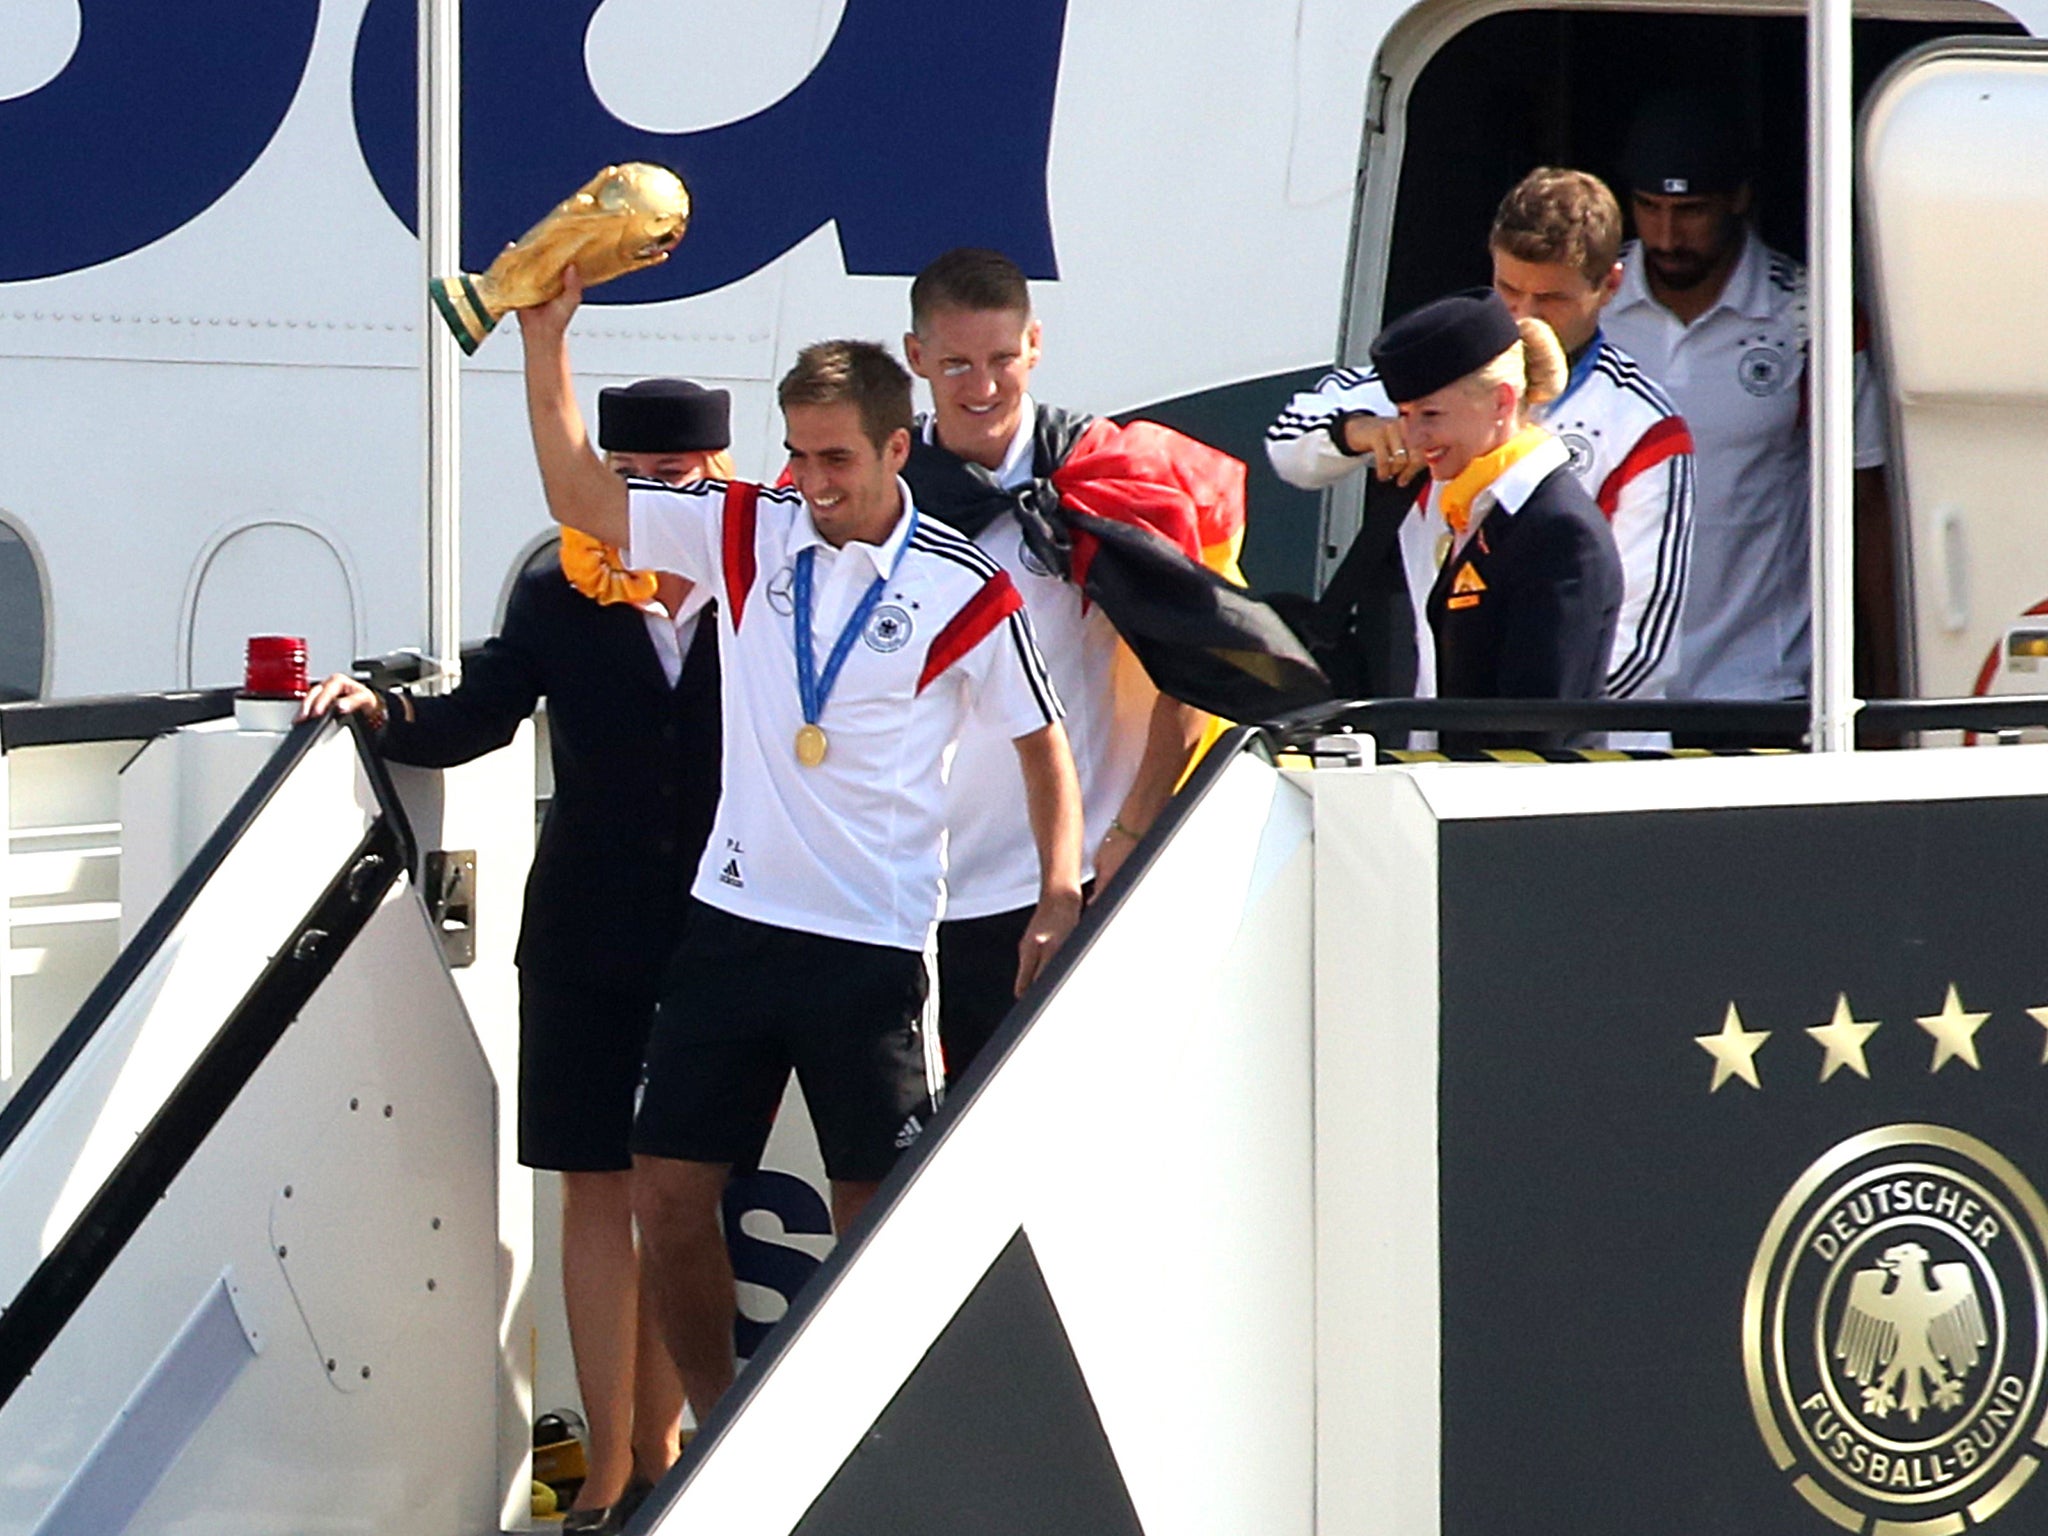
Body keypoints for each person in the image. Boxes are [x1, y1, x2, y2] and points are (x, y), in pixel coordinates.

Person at [513, 268, 1085, 1432]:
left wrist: (1057, 886)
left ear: (893, 450)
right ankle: (720, 1438)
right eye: (796, 457)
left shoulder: (960, 585)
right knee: (668, 1200)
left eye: (834, 460)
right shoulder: (745, 530)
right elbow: (582, 492)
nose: (811, 484)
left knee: (872, 1219)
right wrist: (545, 342)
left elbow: (1042, 745)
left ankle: (857, 1453)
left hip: (869, 949)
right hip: (730, 925)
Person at [300, 376, 732, 1530]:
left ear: (718, 474)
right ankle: (608, 1462)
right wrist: (376, 710)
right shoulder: (560, 590)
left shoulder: (768, 580)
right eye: (628, 478)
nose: (647, 501)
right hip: (590, 923)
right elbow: (477, 715)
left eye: (673, 481)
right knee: (594, 1181)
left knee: (680, 1190)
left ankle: (670, 1440)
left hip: (723, 929)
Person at [899, 248, 1208, 1079]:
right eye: (957, 363)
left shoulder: (1103, 477)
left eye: (1002, 359)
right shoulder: (880, 489)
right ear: (915, 357)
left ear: (1035, 345)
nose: (983, 385)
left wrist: (1130, 834)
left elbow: (1189, 673)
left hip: (1069, 880)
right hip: (915, 887)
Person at [1267, 169, 1693, 732]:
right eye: (1509, 289)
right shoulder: (1435, 377)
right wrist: (1361, 433)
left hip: (1587, 756)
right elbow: (1286, 444)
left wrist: (1501, 720)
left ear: (1610, 286)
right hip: (1437, 735)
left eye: (1551, 297)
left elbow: (1640, 647)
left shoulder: (1640, 424)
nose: (1524, 316)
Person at [1601, 90, 1892, 715]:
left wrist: (1891, 694)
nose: (1667, 235)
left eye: (1692, 210)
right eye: (1649, 208)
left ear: (1740, 198)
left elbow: (1866, 505)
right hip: (1609, 688)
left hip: (1763, 686)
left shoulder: (1814, 318)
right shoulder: (1586, 307)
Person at [1366, 288, 1623, 730]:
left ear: (1502, 402)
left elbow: (1538, 730)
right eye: (1404, 416)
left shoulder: (1557, 531)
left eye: (1430, 415)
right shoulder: (1483, 509)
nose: (1413, 438)